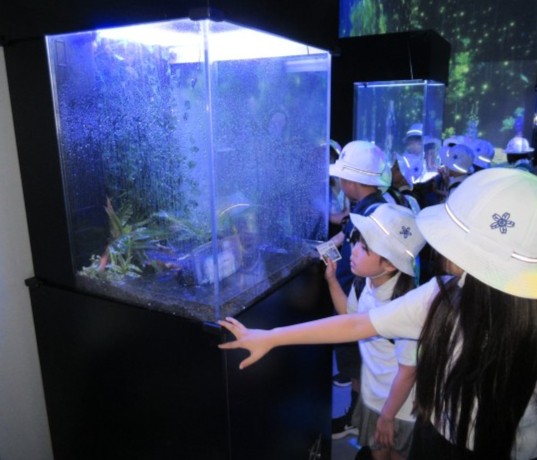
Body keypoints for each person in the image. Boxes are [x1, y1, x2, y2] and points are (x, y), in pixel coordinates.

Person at [219, 167, 537, 460]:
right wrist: (272, 337)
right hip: (438, 430)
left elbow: (377, 342)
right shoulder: (441, 292)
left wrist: (273, 337)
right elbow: (356, 322)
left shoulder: (439, 294)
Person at [325, 203, 426, 459]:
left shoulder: (405, 307)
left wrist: (388, 416)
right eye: (357, 242)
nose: (353, 251)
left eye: (364, 248)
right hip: (374, 394)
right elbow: (350, 320)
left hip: (399, 407)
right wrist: (332, 281)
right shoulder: (365, 282)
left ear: (390, 264)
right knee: (377, 453)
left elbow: (408, 371)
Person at [328, 140, 390, 438]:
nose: (340, 182)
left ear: (352, 182)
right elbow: (347, 236)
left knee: (357, 364)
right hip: (359, 299)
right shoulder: (375, 205)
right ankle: (357, 413)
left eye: (342, 177)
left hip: (360, 302)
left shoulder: (371, 214)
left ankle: (356, 417)